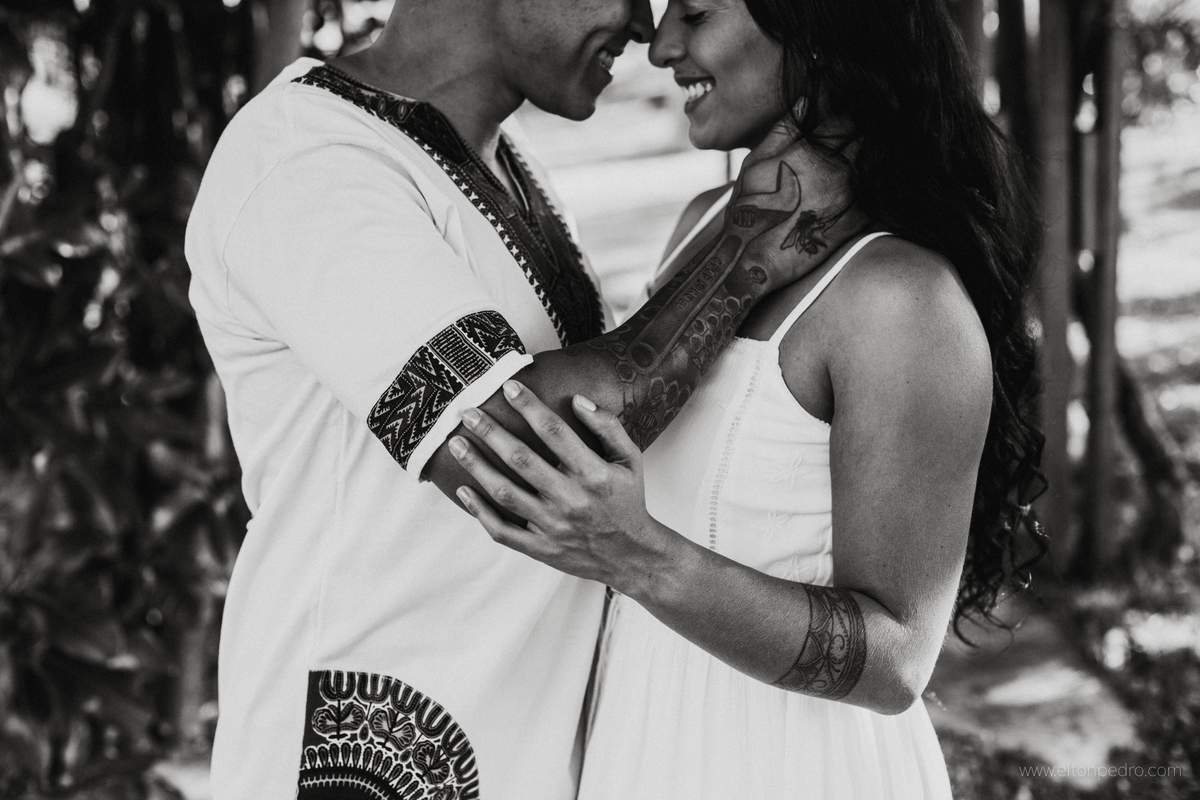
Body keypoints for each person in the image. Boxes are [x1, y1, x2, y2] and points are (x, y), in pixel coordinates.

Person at [184, 0, 867, 796]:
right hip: (368, 761)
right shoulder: (303, 158)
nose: (646, 31)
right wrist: (747, 251)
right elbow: (513, 454)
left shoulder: (503, 164)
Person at [448, 0, 1047, 796]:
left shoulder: (900, 299)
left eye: (696, 12)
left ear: (817, 27)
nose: (661, 46)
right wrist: (744, 250)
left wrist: (638, 557)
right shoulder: (708, 229)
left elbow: (897, 658)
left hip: (794, 766)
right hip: (641, 742)